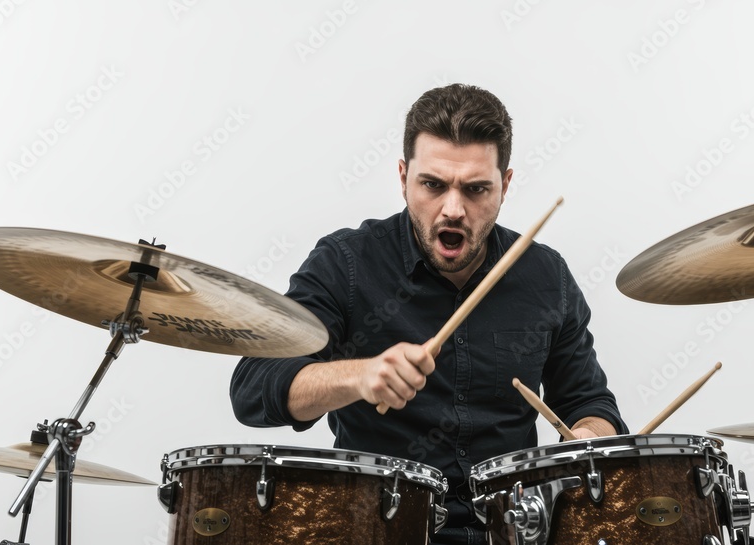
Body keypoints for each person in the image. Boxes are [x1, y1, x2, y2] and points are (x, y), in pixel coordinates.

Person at [229, 83, 625, 545]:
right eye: (433, 185)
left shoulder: (544, 274)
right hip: (379, 530)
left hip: (514, 533)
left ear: (506, 186)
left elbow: (592, 404)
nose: (453, 209)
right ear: (403, 177)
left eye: (477, 189)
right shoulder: (347, 263)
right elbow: (253, 388)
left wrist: (584, 436)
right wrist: (358, 376)